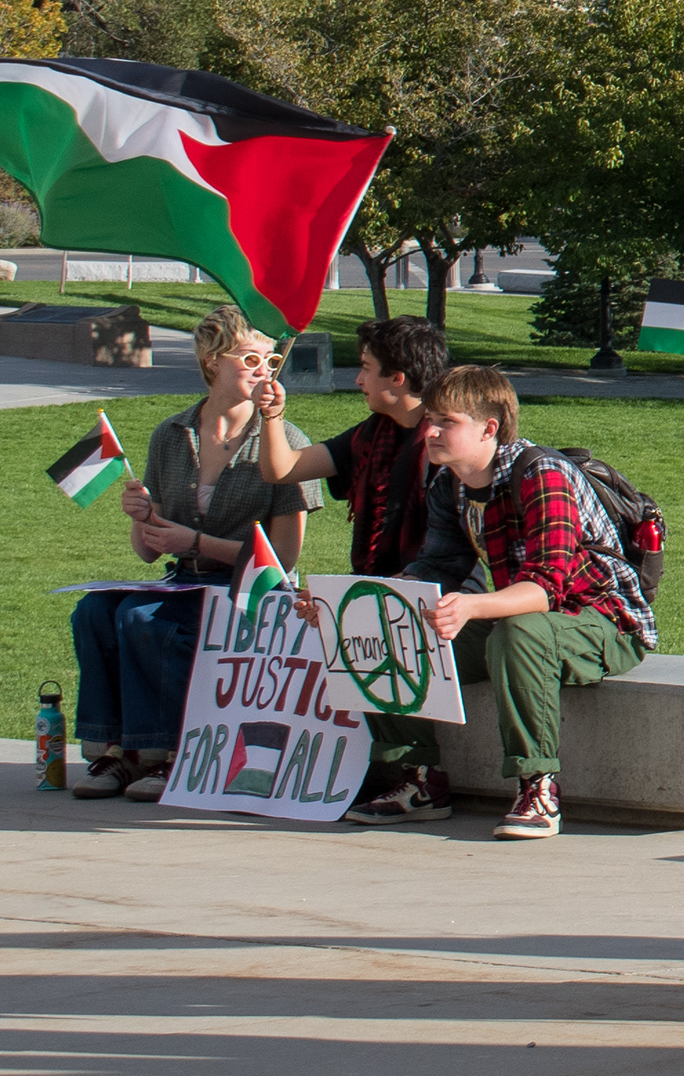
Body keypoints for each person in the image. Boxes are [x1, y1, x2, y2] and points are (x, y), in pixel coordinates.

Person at [66, 306, 316, 801]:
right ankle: (112, 752)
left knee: (144, 619)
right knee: (93, 611)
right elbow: (145, 551)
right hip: (184, 576)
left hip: (249, 590)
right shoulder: (171, 435)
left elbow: (283, 560)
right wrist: (141, 518)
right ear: (212, 362)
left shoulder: (286, 441)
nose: (263, 371)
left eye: (269, 360)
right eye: (250, 359)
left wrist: (197, 543)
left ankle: (163, 754)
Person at [396, 366, 653, 841]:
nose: (429, 431)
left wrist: (471, 608)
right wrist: (369, 599)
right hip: (529, 619)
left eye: (445, 421)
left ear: (489, 428)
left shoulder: (542, 474)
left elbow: (545, 588)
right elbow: (434, 568)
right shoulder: (449, 484)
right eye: (427, 419)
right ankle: (416, 780)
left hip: (604, 623)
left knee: (519, 630)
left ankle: (538, 787)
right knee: (394, 626)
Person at [330, 316, 460, 823]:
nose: (358, 380)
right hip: (404, 584)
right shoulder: (373, 435)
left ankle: (423, 781)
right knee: (351, 616)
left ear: (397, 378)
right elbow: (283, 470)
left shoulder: (443, 445)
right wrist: (272, 413)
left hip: (451, 591)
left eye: (365, 368)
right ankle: (368, 775)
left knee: (383, 623)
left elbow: (457, 552)